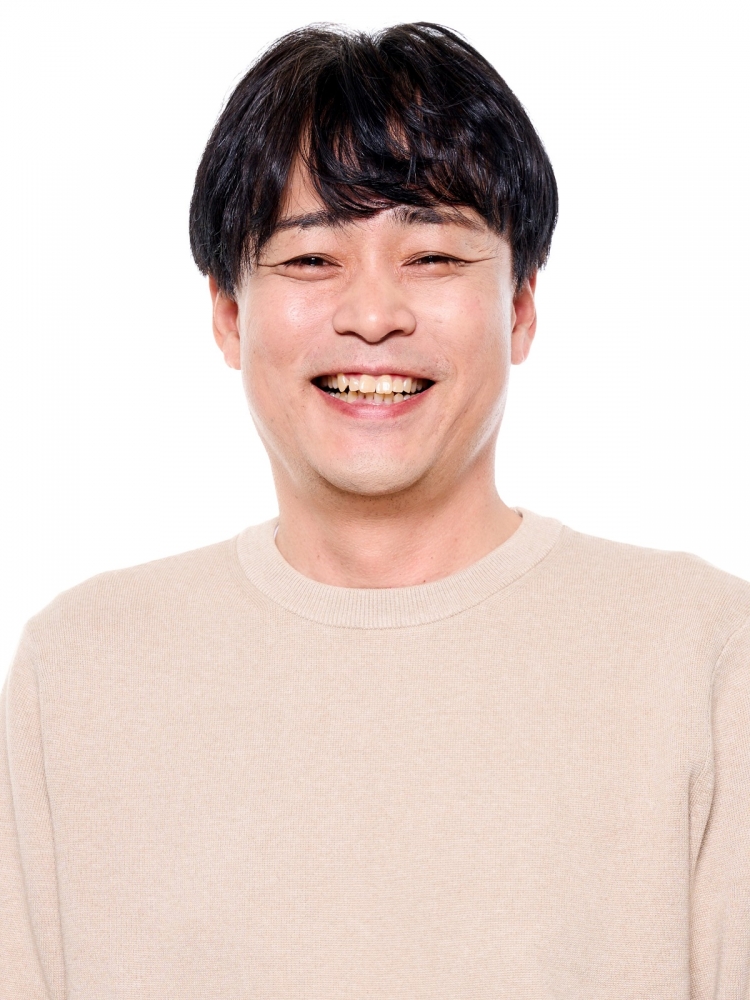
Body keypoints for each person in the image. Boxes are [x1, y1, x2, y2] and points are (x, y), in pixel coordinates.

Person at [2, 21, 748, 999]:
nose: (372, 314)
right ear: (228, 314)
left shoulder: (701, 651)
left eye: (432, 255)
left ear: (520, 306)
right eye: (312, 260)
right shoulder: (80, 670)